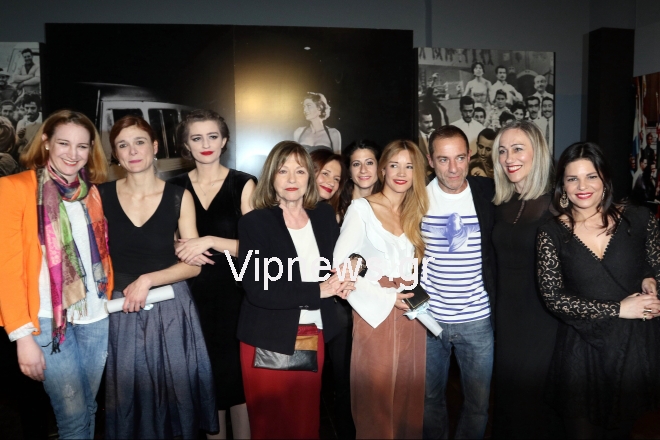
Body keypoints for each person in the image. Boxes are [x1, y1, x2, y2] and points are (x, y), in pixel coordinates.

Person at [100, 115, 218, 439]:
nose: (132, 151)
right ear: (115, 154)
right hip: (121, 309)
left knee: (176, 399)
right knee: (129, 401)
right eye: (123, 145)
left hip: (170, 309)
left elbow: (193, 265)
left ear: (154, 147)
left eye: (139, 142)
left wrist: (148, 279)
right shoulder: (100, 196)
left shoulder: (179, 197)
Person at [0, 110, 113, 439]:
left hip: (95, 315)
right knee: (73, 416)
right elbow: (7, 268)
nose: (73, 154)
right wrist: (22, 338)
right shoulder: (13, 188)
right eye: (64, 143)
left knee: (88, 408)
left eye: (82, 146)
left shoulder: (92, 192)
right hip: (47, 319)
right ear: (47, 142)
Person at [537, 142, 660, 438]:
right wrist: (618, 309)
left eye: (591, 176)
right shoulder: (551, 231)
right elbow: (553, 298)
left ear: (605, 178)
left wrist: (651, 280)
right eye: (573, 178)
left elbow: (654, 265)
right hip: (581, 350)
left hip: (629, 349)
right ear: (562, 186)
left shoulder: (639, 219)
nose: (583, 186)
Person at [236, 141, 350, 439]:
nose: (291, 179)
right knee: (269, 428)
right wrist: (318, 291)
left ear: (310, 176)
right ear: (271, 176)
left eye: (299, 171)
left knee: (305, 424)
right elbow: (258, 289)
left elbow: (346, 258)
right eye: (282, 170)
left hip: (313, 334)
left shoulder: (323, 215)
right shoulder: (254, 223)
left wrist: (350, 273)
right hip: (266, 336)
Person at [333, 139, 430, 439]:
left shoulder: (416, 211)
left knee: (407, 404)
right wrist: (387, 297)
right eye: (394, 165)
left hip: (411, 319)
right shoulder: (361, 209)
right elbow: (341, 269)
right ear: (383, 170)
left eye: (409, 166)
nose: (401, 173)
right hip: (374, 317)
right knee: (375, 405)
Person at [168, 109, 255, 440]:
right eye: (197, 138)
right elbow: (163, 244)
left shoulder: (243, 184)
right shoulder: (174, 187)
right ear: (186, 145)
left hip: (237, 297)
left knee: (238, 385)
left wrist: (209, 240)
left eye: (212, 136)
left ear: (224, 141)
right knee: (207, 384)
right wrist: (175, 246)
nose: (205, 144)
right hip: (192, 298)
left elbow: (257, 248)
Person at [422, 126, 496, 439]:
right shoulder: (417, 196)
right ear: (430, 160)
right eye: (443, 159)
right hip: (429, 320)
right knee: (429, 401)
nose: (453, 168)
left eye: (460, 158)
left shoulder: (488, 192)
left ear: (469, 156)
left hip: (477, 319)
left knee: (478, 405)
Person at [491, 120, 563, 438]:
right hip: (506, 319)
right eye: (503, 151)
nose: (509, 158)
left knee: (534, 407)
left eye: (518, 149)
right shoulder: (501, 204)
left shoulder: (558, 204)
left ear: (538, 153)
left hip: (543, 321)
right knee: (508, 402)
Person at [310, 148, 355, 439]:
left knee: (343, 383)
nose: (330, 182)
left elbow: (335, 261)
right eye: (325, 173)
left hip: (334, 312)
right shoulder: (281, 213)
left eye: (336, 178)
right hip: (300, 312)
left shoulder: (327, 212)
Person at [338, 139, 382, 223]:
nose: (363, 170)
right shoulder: (336, 208)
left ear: (379, 167)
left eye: (369, 163)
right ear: (349, 171)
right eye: (356, 164)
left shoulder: (390, 207)